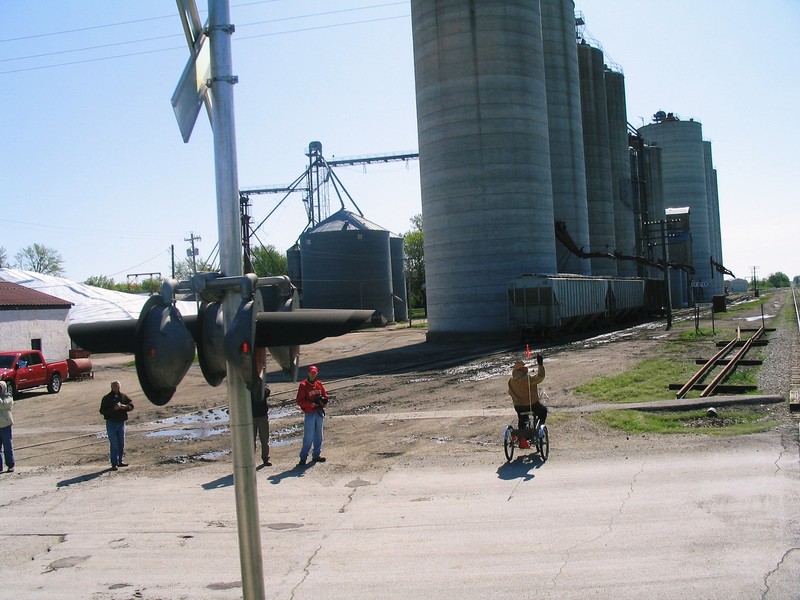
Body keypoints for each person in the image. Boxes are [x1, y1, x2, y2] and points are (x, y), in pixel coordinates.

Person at [507, 354, 547, 448]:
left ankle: (522, 438)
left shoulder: (511, 381)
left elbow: (510, 392)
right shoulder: (527, 379)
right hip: (532, 404)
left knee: (522, 418)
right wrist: (540, 365)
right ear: (522, 369)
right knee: (543, 411)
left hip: (519, 406)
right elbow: (540, 377)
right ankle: (538, 432)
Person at [295, 365, 329, 466]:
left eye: (314, 373)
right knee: (308, 436)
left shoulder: (319, 384)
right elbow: (299, 400)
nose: (313, 375)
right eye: (311, 373)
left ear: (317, 373)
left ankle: (316, 455)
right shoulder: (303, 385)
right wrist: (310, 404)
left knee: (319, 434)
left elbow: (325, 395)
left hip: (318, 412)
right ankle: (303, 457)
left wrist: (323, 402)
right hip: (310, 413)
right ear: (308, 373)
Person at [99, 380, 134, 471]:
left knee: (121, 443)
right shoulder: (106, 398)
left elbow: (131, 406)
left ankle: (120, 461)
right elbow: (102, 411)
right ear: (112, 387)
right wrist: (113, 409)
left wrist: (124, 407)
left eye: (118, 386)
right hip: (111, 423)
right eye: (115, 386)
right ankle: (114, 463)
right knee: (114, 443)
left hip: (121, 422)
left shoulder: (123, 396)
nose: (117, 388)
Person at [252, 385, 271, 467]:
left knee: (265, 439)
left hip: (262, 416)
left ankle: (265, 458)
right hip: (250, 417)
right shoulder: (247, 384)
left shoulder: (262, 384)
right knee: (250, 441)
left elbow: (267, 392)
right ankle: (250, 460)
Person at [0, 381, 15, 473]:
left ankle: (10, 465)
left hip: (5, 426)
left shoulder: (8, 397)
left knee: (7, 446)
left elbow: (2, 405)